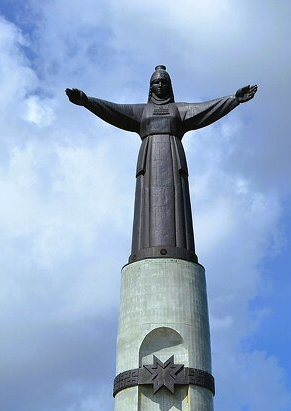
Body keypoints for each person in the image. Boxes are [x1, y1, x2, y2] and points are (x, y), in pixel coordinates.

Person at [66, 66, 257, 264]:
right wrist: (87, 102)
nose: (160, 85)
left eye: (163, 82)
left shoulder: (179, 109)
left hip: (172, 158)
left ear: (170, 85)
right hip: (149, 161)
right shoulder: (141, 111)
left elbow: (207, 109)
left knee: (176, 207)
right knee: (147, 207)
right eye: (156, 82)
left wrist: (234, 100)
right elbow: (113, 110)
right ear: (150, 87)